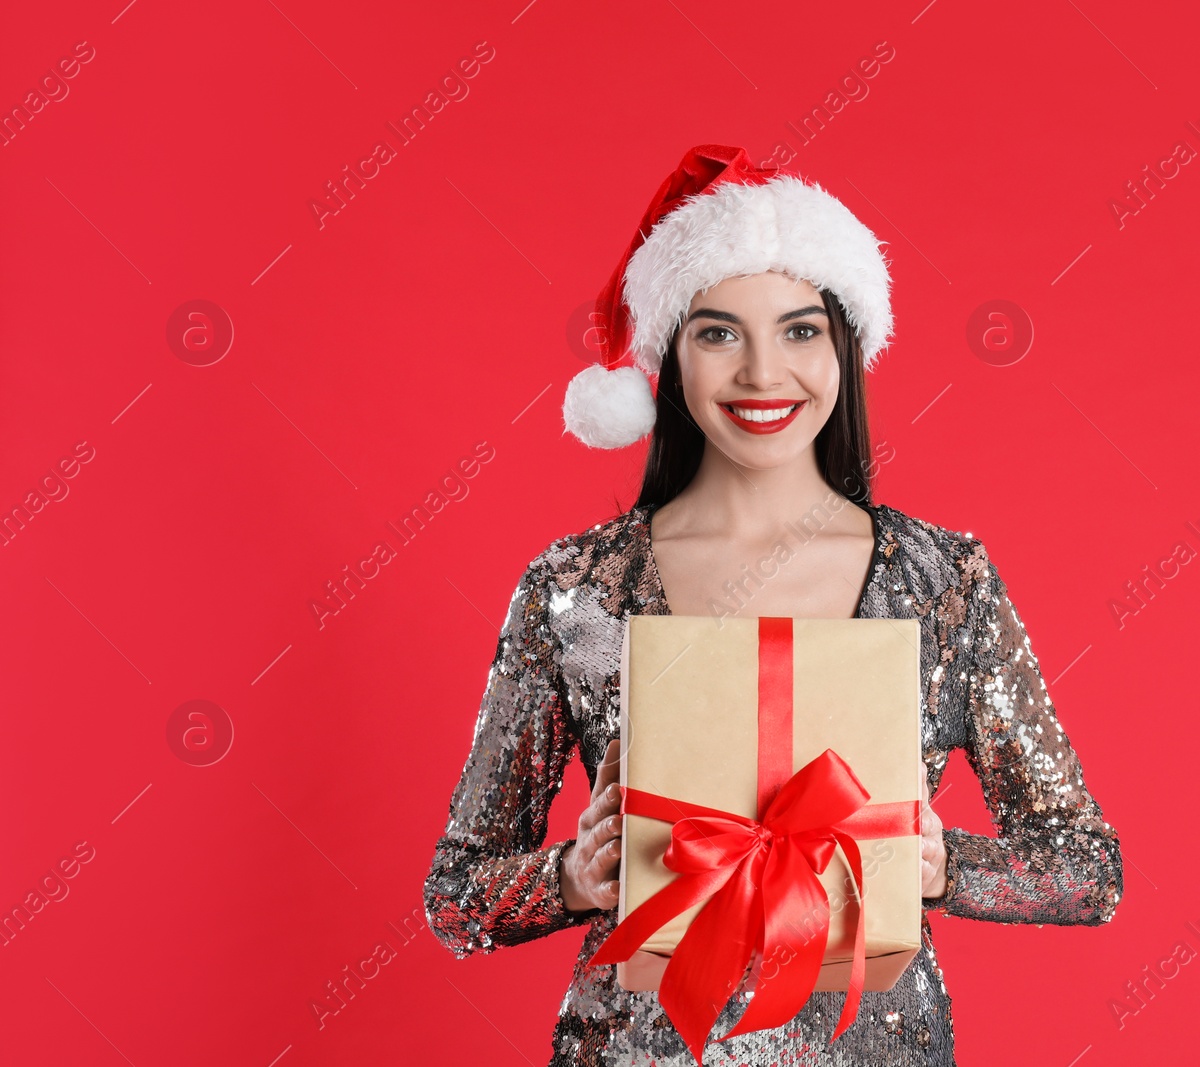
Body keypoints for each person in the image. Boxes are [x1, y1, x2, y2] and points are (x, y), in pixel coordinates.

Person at [422, 145, 1122, 1065]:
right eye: (718, 333)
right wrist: (571, 877)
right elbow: (456, 896)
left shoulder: (944, 580)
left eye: (800, 331)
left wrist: (948, 869)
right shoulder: (575, 587)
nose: (762, 373)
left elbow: (1089, 869)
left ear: (845, 346)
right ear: (670, 352)